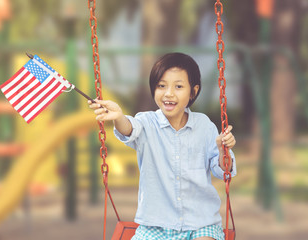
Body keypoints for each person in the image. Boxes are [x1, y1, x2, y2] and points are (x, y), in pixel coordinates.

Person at [88, 52, 237, 240]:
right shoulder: (146, 122)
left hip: (200, 224)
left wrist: (225, 151)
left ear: (193, 91)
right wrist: (119, 118)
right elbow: (130, 129)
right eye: (161, 86)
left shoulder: (205, 126)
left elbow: (222, 170)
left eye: (179, 86)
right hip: (155, 225)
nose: (169, 93)